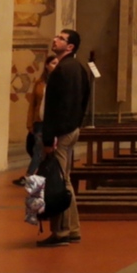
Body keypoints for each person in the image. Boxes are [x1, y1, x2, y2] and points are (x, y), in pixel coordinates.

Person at [35, 29, 92, 248]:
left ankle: (61, 232)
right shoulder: (79, 68)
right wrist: (76, 124)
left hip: (60, 133)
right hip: (71, 129)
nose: (55, 39)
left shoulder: (62, 71)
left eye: (60, 38)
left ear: (70, 47)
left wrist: (50, 139)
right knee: (65, 180)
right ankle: (73, 229)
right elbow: (83, 101)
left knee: (57, 182)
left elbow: (56, 108)